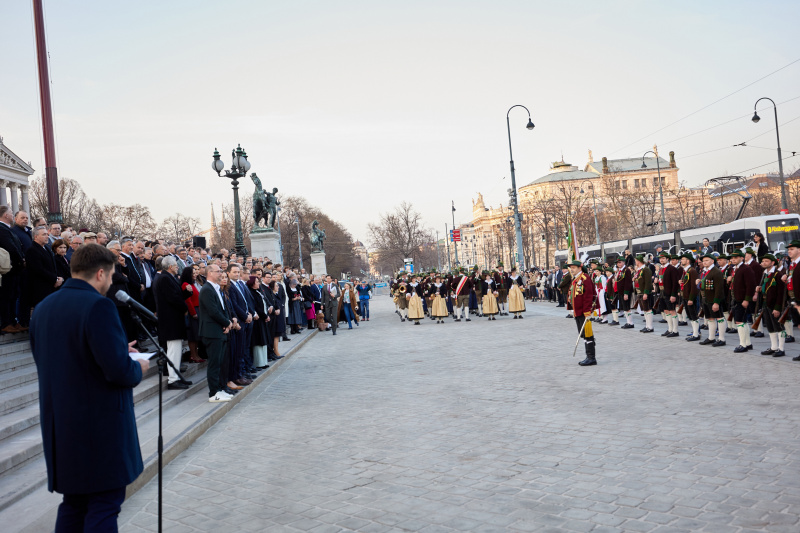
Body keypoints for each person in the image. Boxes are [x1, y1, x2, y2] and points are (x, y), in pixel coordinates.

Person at [30, 244, 148, 532]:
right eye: (110, 276)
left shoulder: (43, 308)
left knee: (74, 503)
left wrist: (119, 348)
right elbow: (118, 371)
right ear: (99, 273)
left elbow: (62, 359)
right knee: (104, 504)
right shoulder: (99, 305)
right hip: (98, 428)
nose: (110, 283)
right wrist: (138, 366)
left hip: (62, 427)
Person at [198, 264, 234, 402]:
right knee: (214, 363)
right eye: (218, 271)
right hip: (211, 331)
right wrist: (227, 323)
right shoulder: (207, 289)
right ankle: (213, 393)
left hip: (219, 330)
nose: (221, 273)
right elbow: (213, 311)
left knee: (220, 362)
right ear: (210, 273)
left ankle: (219, 389)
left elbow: (222, 308)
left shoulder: (216, 288)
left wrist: (226, 323)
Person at [26, 227, 64, 314]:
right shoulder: (32, 250)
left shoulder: (46, 248)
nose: (47, 236)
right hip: (40, 289)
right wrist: (55, 279)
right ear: (36, 237)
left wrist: (57, 278)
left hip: (50, 286)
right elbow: (38, 270)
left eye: (47, 234)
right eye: (44, 234)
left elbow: (52, 266)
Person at [0, 205, 25, 333]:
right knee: (7, 296)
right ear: (5, 215)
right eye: (10, 212)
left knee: (13, 294)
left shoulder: (7, 228)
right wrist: (21, 260)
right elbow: (10, 247)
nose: (12, 214)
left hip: (14, 269)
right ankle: (6, 322)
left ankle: (13, 321)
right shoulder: (1, 229)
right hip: (8, 269)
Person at [567, 260, 597, 366]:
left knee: (588, 333)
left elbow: (589, 295)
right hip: (578, 311)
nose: (572, 269)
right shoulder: (576, 279)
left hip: (584, 312)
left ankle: (591, 357)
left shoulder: (585, 278)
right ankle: (588, 356)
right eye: (571, 268)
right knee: (583, 334)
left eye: (574, 267)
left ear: (580, 268)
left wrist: (588, 310)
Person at [698, 253, 726, 347]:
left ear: (712, 261)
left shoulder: (716, 272)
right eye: (703, 260)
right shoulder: (704, 271)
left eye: (706, 260)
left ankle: (721, 339)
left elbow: (719, 289)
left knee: (719, 317)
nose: (704, 262)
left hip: (713, 299)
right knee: (710, 318)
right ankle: (711, 337)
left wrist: (716, 302)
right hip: (705, 298)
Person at [180, 265, 205, 363]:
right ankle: (193, 355)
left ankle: (196, 354)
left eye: (195, 273)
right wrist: (193, 312)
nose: (195, 275)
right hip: (193, 311)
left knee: (196, 335)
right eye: (193, 273)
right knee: (192, 335)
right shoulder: (186, 284)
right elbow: (188, 300)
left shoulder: (193, 284)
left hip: (198, 309)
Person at [247, 275, 271, 369]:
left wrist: (266, 315)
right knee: (258, 341)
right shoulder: (252, 293)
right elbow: (257, 307)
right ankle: (259, 362)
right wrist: (264, 316)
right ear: (252, 283)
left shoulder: (258, 292)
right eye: (257, 282)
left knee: (263, 340)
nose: (258, 283)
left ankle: (264, 361)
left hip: (263, 318)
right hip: (258, 320)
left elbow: (264, 303)